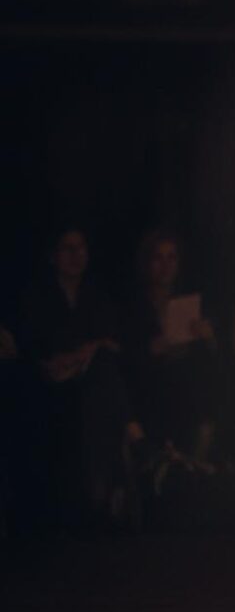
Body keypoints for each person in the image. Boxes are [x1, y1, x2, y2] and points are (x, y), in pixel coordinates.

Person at [16, 227, 141, 533]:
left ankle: (99, 494)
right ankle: (130, 430)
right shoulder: (38, 296)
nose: (75, 256)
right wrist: (77, 356)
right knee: (102, 376)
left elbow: (112, 343)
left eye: (81, 248)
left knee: (102, 371)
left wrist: (88, 352)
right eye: (67, 249)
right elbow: (36, 349)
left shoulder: (97, 294)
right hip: (51, 382)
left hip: (90, 383)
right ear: (53, 256)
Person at [125, 230, 223, 468]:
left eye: (171, 258)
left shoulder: (190, 301)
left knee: (203, 386)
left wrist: (207, 337)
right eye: (158, 258)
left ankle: (194, 467)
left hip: (189, 379)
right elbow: (126, 357)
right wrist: (151, 349)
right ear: (147, 263)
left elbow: (215, 356)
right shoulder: (134, 305)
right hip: (151, 381)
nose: (165, 265)